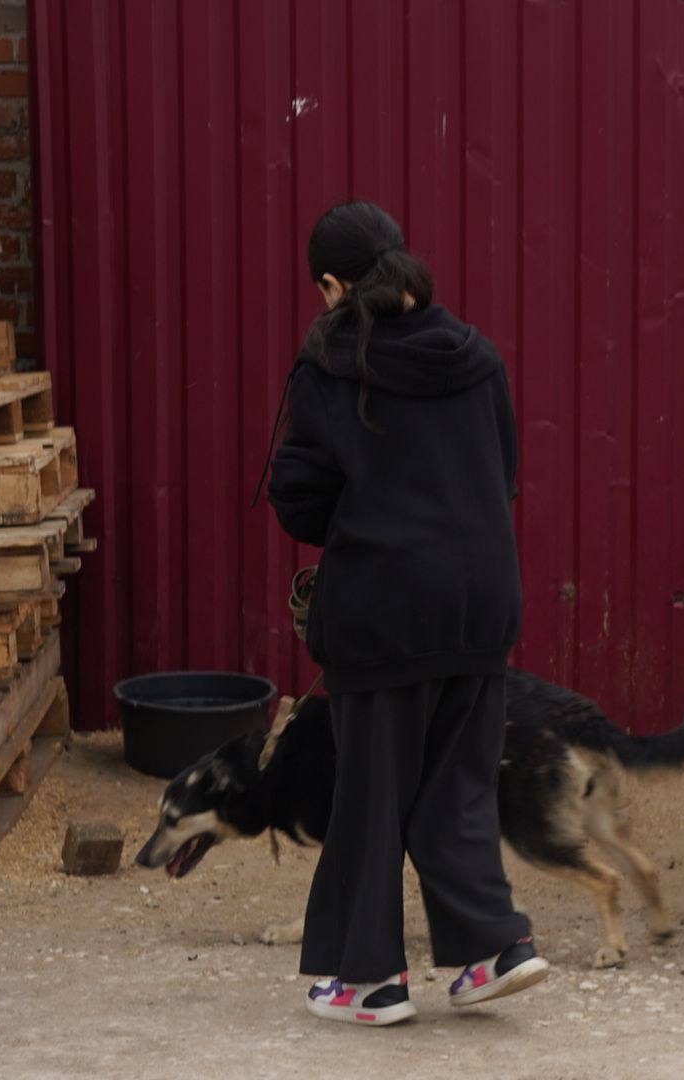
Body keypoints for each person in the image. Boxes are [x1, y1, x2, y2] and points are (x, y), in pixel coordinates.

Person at [259, 200, 547, 1026]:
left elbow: (300, 496)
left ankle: (369, 980)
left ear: (330, 284)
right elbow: (504, 471)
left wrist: (364, 515)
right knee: (457, 787)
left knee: (372, 794)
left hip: (385, 608)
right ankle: (498, 950)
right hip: (483, 602)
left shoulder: (331, 366)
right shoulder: (478, 357)